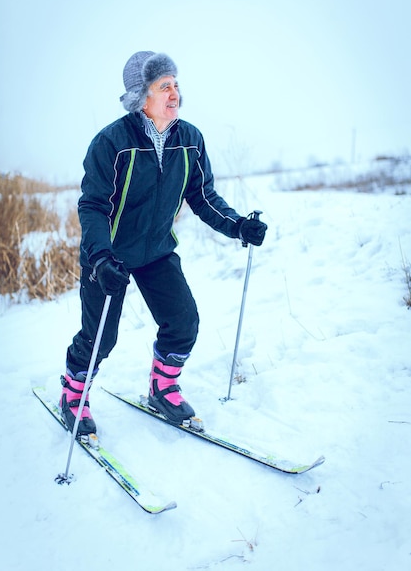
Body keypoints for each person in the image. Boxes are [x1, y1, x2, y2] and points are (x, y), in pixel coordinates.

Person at [60, 51, 267, 435]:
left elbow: (203, 197)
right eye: (164, 86)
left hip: (156, 251)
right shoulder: (111, 142)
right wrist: (101, 257)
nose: (175, 94)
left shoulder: (189, 139)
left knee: (184, 321)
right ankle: (73, 394)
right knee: (100, 337)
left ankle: (162, 386)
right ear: (141, 96)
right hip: (108, 256)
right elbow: (92, 206)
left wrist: (238, 226)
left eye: (175, 84)